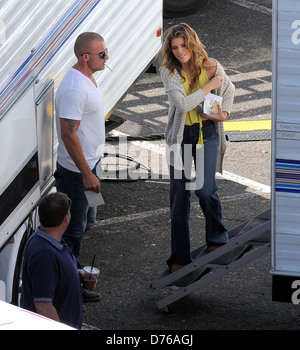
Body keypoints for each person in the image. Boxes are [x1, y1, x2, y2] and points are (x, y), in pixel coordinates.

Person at [160, 23, 235, 273]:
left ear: (192, 43)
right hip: (179, 137)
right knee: (179, 198)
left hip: (207, 133)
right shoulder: (169, 72)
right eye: (175, 47)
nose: (180, 51)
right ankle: (179, 256)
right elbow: (182, 105)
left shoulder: (212, 65)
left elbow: (229, 88)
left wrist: (224, 112)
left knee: (204, 190)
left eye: (183, 45)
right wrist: (208, 87)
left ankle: (217, 239)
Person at [54, 32, 108, 263]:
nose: (107, 57)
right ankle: (68, 282)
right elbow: (68, 134)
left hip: (91, 166)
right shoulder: (75, 88)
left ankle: (71, 270)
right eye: (103, 54)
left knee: (89, 221)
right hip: (77, 174)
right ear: (86, 57)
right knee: (72, 231)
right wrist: (86, 174)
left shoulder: (88, 78)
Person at [20, 192, 96, 329]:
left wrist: (75, 274)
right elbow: (43, 306)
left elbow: (53, 277)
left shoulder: (42, 238)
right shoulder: (45, 255)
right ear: (66, 219)